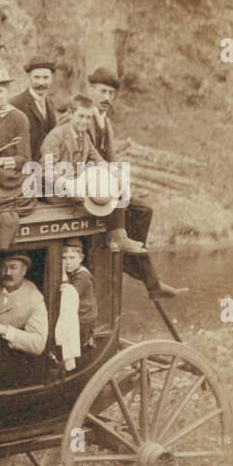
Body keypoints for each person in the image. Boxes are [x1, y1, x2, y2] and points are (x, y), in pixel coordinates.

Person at [87, 67, 187, 299]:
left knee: (144, 210)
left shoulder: (105, 122)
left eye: (111, 94)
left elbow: (111, 155)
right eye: (103, 91)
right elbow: (84, 152)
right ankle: (148, 278)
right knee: (117, 185)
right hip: (84, 181)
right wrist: (111, 172)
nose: (107, 98)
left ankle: (130, 259)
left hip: (103, 180)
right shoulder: (83, 117)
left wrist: (119, 173)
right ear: (91, 90)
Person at [39, 95, 144, 255]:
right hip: (55, 191)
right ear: (71, 114)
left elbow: (99, 161)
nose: (84, 121)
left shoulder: (85, 137)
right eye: (80, 116)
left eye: (88, 118)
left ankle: (118, 237)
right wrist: (68, 184)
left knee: (113, 183)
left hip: (78, 188)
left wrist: (118, 174)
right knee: (101, 192)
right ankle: (114, 239)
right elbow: (46, 169)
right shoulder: (56, 136)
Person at [0, 252, 47, 356]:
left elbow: (38, 344)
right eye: (3, 268)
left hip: (9, 359)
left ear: (24, 270)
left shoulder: (34, 299)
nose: (7, 272)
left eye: (13, 267)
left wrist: (5, 330)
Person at [9, 55, 59, 161]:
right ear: (29, 77)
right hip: (25, 167)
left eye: (45, 77)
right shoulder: (15, 104)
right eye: (37, 77)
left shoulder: (50, 102)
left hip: (47, 165)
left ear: (52, 78)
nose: (41, 82)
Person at [61, 238, 97, 347]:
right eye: (64, 258)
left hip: (83, 321)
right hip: (76, 317)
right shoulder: (73, 272)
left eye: (72, 258)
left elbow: (69, 296)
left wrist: (62, 272)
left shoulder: (82, 276)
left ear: (81, 258)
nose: (68, 262)